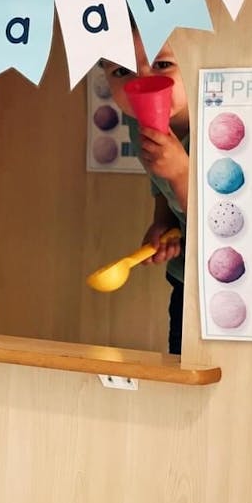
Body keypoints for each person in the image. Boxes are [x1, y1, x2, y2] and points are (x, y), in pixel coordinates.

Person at [101, 30, 189, 354]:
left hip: (232, 285)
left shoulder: (218, 125)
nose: (144, 83)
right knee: (180, 364)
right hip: (185, 280)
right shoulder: (136, 121)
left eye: (163, 64)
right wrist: (164, 221)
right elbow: (158, 181)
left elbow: (225, 223)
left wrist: (181, 173)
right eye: (121, 71)